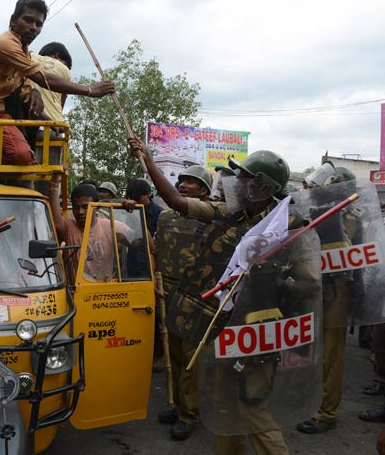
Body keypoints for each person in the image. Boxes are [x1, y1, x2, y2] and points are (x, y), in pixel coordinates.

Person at [130, 137, 309, 455]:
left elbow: (310, 286)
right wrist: (148, 160)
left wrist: (272, 277)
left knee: (253, 407)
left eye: (243, 177)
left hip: (258, 332)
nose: (235, 182)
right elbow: (176, 202)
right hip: (223, 326)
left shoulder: (291, 228)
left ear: (261, 186)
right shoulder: (230, 214)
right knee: (224, 408)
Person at [0, 0, 116, 166]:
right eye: (28, 20)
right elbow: (42, 77)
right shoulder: (6, 43)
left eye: (38, 24)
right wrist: (90, 90)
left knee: (23, 156)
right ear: (13, 21)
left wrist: (49, 122)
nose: (33, 27)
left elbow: (26, 93)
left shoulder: (24, 54)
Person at [153, 165, 212, 441]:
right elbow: (155, 248)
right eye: (181, 181)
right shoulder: (165, 215)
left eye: (191, 182)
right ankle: (177, 406)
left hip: (195, 296)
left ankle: (190, 415)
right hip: (168, 292)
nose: (183, 184)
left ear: (205, 191)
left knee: (190, 360)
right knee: (173, 354)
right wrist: (156, 274)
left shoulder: (212, 218)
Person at [296, 165, 358, 434]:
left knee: (331, 353)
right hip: (321, 288)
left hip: (334, 289)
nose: (309, 191)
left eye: (316, 187)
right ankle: (315, 402)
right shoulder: (325, 214)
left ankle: (326, 412)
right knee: (319, 350)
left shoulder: (341, 217)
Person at [48, 174, 135, 284]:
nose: (80, 212)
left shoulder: (110, 226)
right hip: (78, 294)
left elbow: (140, 242)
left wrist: (133, 211)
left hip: (107, 293)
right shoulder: (68, 227)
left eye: (85, 207)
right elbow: (57, 223)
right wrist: (54, 185)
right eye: (76, 207)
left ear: (97, 206)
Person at [31, 41, 73, 124]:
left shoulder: (27, 58)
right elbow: (62, 102)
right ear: (58, 56)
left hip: (23, 126)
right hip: (54, 127)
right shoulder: (64, 69)